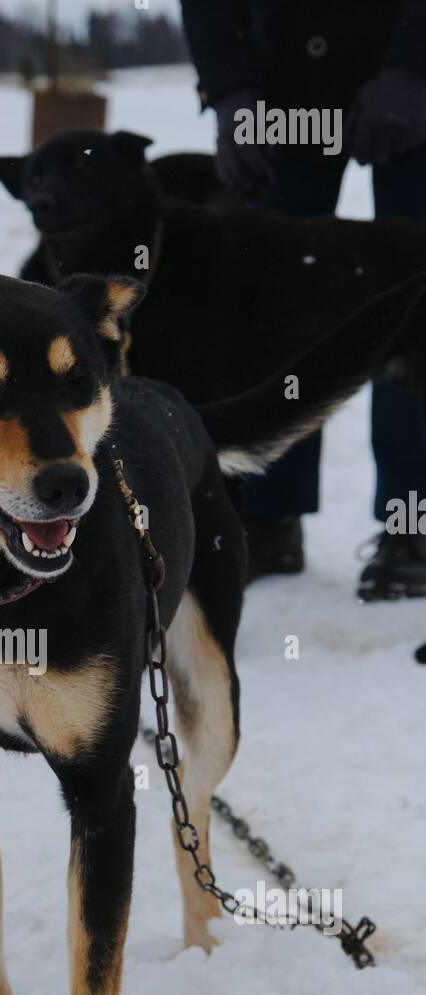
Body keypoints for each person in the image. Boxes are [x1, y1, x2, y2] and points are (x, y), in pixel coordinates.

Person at [180, 0, 426, 599]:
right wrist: (230, 89)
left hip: (411, 69)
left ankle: (412, 523)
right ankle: (267, 517)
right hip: (284, 81)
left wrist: (414, 65)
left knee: (418, 300)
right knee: (273, 304)